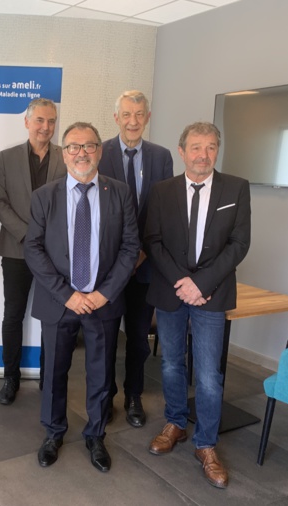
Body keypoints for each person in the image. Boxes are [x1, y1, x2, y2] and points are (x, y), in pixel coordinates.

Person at [24, 122, 140, 472]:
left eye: (89, 146)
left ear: (99, 151)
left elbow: (130, 247)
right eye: (74, 147)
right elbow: (33, 249)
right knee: (54, 371)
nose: (82, 153)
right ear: (64, 154)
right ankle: (53, 432)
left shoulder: (120, 193)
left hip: (102, 302)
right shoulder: (45, 196)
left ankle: (96, 435)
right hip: (59, 301)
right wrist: (67, 295)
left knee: (101, 373)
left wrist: (105, 293)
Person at [144, 121, 250, 489]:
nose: (203, 155)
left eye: (210, 147)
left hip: (212, 294)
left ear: (217, 150)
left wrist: (201, 284)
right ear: (182, 151)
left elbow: (239, 243)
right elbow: (153, 241)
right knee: (171, 363)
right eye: (195, 147)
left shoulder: (236, 188)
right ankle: (175, 423)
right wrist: (183, 283)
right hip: (171, 291)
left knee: (208, 375)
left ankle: (205, 444)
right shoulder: (162, 191)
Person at [98, 90, 174, 428]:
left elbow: (162, 210)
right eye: (126, 114)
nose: (133, 121)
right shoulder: (101, 152)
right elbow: (98, 211)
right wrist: (122, 256)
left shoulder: (161, 156)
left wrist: (141, 252)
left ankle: (133, 396)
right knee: (105, 338)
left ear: (148, 117)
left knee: (139, 339)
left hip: (145, 266)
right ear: (116, 117)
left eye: (139, 114)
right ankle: (104, 397)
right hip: (109, 267)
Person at [0, 98, 66, 405]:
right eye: (39, 120)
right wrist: (27, 234)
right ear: (26, 122)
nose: (46, 127)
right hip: (16, 248)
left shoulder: (66, 156)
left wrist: (47, 238)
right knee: (13, 315)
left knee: (53, 318)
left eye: (51, 121)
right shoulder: (7, 157)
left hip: (55, 253)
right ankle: (10, 377)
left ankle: (49, 378)